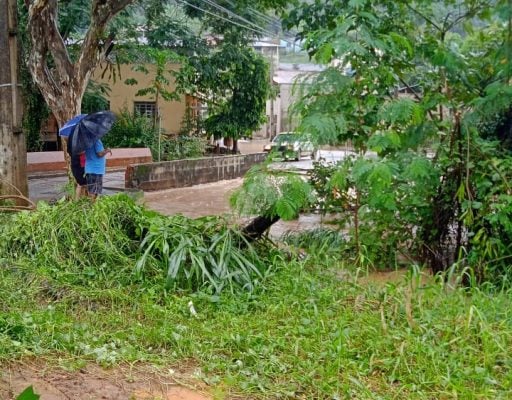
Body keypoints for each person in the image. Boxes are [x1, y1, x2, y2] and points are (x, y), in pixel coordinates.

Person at [66, 131, 87, 199]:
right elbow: (80, 152)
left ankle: (79, 200)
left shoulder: (71, 138)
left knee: (81, 184)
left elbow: (68, 151)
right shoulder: (79, 141)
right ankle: (78, 200)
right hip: (79, 165)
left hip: (74, 164)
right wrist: (86, 151)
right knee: (82, 184)